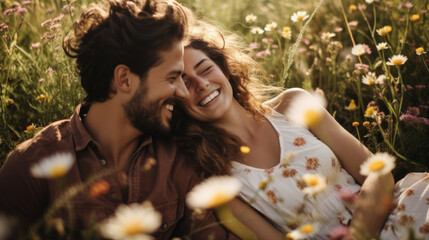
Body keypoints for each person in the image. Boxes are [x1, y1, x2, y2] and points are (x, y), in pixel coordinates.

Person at [0, 1, 240, 239]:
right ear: (125, 79)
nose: (183, 92)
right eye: (172, 77)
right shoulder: (31, 166)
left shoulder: (179, 158)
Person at [172, 20, 429, 240]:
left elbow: (378, 173)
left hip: (390, 213)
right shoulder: (217, 178)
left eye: (206, 69)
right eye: (185, 83)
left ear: (225, 71)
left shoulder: (292, 104)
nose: (202, 84)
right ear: (176, 100)